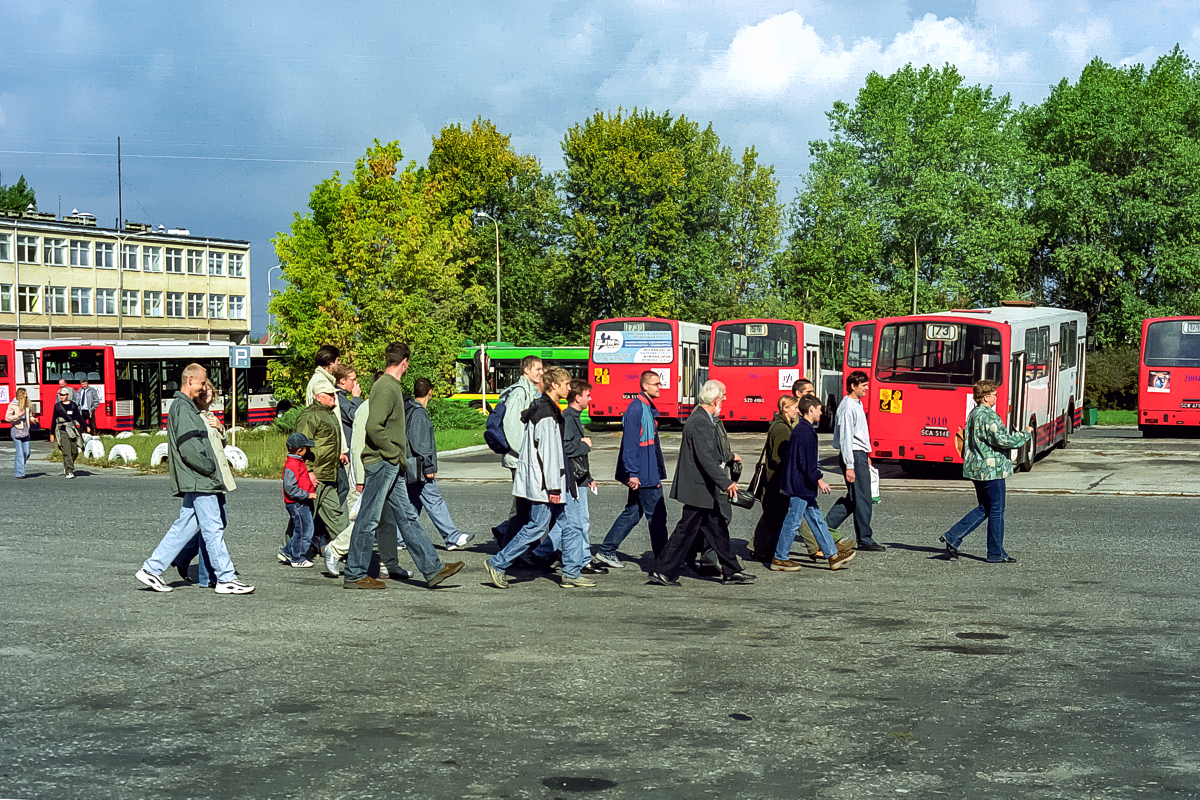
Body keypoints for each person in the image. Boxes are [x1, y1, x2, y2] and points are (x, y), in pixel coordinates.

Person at [344, 342, 464, 590]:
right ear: (405, 362)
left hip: (391, 464)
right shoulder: (386, 387)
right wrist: (393, 453)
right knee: (368, 518)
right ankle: (355, 574)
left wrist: (395, 457)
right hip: (382, 462)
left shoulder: (390, 386)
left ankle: (433, 569)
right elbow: (373, 427)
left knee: (408, 517)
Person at [135, 363, 253, 595]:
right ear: (190, 381)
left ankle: (152, 569)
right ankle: (226, 579)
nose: (203, 387)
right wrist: (210, 469)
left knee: (185, 526)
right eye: (201, 382)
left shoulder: (184, 407)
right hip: (201, 479)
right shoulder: (184, 409)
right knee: (213, 528)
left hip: (197, 478)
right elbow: (189, 448)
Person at [484, 367, 595, 589]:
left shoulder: (549, 410)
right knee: (536, 526)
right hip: (546, 484)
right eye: (565, 384)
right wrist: (554, 487)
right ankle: (498, 563)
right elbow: (548, 453)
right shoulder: (546, 413)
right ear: (554, 385)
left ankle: (571, 572)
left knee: (571, 524)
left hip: (552, 481)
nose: (569, 388)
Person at [649, 380, 754, 587]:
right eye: (722, 398)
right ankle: (663, 571)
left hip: (702, 488)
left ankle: (732, 571)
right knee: (684, 532)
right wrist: (726, 483)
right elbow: (706, 459)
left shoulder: (701, 418)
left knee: (718, 529)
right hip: (698, 488)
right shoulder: (701, 422)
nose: (724, 401)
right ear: (715, 400)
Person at [940, 380, 1033, 563]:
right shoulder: (989, 416)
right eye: (994, 395)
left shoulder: (974, 413)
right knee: (997, 510)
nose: (996, 397)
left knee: (985, 507)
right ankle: (995, 553)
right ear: (985, 397)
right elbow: (1004, 440)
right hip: (992, 470)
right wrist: (1026, 434)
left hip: (976, 468)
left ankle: (953, 536)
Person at [592, 371, 669, 568]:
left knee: (633, 513)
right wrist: (633, 473)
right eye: (656, 384)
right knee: (657, 516)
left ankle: (607, 550)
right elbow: (630, 445)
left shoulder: (645, 407)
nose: (660, 387)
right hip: (644, 475)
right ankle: (665, 561)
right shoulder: (636, 409)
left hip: (646, 472)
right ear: (645, 386)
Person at [529, 379, 607, 575]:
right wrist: (585, 445)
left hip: (579, 477)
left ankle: (543, 552)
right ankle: (582, 560)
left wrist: (589, 476)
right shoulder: (569, 418)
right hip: (572, 479)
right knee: (579, 521)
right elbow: (565, 449)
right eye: (588, 395)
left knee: (572, 521)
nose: (590, 399)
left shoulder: (573, 417)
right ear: (578, 397)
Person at [775, 395, 856, 571]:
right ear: (811, 408)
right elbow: (807, 461)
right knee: (793, 521)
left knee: (817, 519)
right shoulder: (805, 431)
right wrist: (819, 479)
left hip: (802, 485)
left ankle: (832, 555)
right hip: (801, 485)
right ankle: (780, 558)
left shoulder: (802, 429)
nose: (821, 412)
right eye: (819, 409)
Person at [172, 379, 240, 586]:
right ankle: (207, 575)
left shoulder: (211, 416)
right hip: (206, 476)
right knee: (211, 526)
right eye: (203, 389)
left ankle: (184, 558)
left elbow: (221, 444)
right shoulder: (195, 416)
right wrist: (208, 470)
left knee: (215, 524)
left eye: (209, 389)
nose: (206, 392)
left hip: (218, 476)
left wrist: (220, 428)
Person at [405, 377, 473, 551]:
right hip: (420, 467)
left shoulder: (410, 410)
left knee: (413, 503)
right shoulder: (419, 413)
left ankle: (400, 538)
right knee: (434, 500)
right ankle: (452, 537)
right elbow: (420, 443)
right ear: (430, 392)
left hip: (412, 466)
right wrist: (428, 466)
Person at [826, 370, 885, 551]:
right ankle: (865, 539)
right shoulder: (847, 407)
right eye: (864, 385)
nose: (867, 388)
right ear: (853, 386)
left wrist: (867, 455)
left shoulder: (856, 403)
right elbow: (846, 439)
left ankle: (824, 527)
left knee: (855, 498)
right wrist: (850, 466)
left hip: (859, 455)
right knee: (863, 498)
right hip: (853, 455)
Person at [492, 355, 544, 547]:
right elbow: (513, 429)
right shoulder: (519, 393)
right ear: (526, 370)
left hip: (525, 458)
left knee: (525, 506)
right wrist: (527, 454)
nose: (541, 373)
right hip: (520, 459)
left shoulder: (530, 391)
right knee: (523, 506)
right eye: (537, 369)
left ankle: (517, 544)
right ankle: (512, 549)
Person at [293, 385, 349, 558]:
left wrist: (338, 453)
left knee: (335, 514)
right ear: (318, 396)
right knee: (304, 515)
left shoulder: (329, 413)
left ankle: (349, 549)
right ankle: (289, 550)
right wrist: (308, 471)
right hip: (316, 475)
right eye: (330, 394)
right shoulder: (309, 415)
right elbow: (300, 445)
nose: (334, 397)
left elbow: (326, 442)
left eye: (334, 394)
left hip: (329, 474)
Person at [749, 395, 799, 561]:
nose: (797, 411)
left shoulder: (779, 425)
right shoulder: (782, 429)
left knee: (771, 515)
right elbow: (780, 458)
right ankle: (765, 551)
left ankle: (760, 549)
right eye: (794, 408)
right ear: (785, 408)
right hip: (776, 481)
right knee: (775, 517)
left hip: (773, 480)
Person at [280, 432, 319, 567]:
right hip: (297, 503)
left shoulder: (297, 461)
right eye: (306, 448)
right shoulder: (292, 464)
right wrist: (307, 495)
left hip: (300, 502)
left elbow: (301, 480)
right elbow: (290, 488)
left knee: (301, 529)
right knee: (305, 531)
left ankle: (287, 551)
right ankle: (297, 558)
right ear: (300, 450)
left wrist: (310, 487)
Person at [334, 364, 361, 484]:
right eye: (353, 379)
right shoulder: (339, 397)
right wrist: (356, 397)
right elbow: (353, 416)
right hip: (344, 451)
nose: (355, 383)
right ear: (342, 381)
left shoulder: (343, 397)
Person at [52, 387, 85, 478]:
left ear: (67, 395)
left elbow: (78, 418)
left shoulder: (73, 405)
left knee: (74, 451)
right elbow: (53, 420)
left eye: (63, 395)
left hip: (72, 430)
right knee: (67, 451)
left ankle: (68, 465)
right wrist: (52, 433)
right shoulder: (57, 406)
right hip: (62, 430)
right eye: (60, 395)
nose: (61, 396)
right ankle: (69, 471)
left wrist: (86, 426)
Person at [6, 388, 33, 478]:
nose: (27, 395)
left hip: (25, 431)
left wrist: (33, 419)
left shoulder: (27, 405)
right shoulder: (12, 405)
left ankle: (19, 466)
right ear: (21, 395)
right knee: (20, 453)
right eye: (25, 394)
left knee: (27, 452)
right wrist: (18, 415)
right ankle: (19, 473)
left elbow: (29, 416)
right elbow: (7, 417)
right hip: (16, 430)